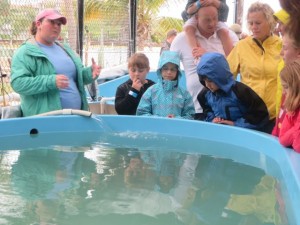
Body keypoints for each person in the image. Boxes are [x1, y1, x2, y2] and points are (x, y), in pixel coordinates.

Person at [10, 8, 101, 117]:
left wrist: (89, 73)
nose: (56, 26)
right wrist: (51, 81)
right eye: (52, 22)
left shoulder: (65, 49)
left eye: (59, 24)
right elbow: (18, 83)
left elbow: (75, 78)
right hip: (44, 121)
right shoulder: (25, 52)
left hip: (77, 116)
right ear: (38, 24)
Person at [171, 5, 237, 120]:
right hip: (195, 108)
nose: (212, 23)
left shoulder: (229, 36)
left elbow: (235, 65)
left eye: (215, 18)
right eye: (207, 19)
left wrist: (207, 55)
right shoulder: (180, 39)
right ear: (196, 17)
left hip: (226, 107)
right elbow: (168, 71)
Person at [227, 2, 282, 133]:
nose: (253, 27)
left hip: (275, 116)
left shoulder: (283, 46)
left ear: (270, 22)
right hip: (248, 115)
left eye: (258, 23)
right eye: (250, 23)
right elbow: (227, 78)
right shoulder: (241, 46)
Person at [197, 52, 269, 131]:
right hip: (220, 132)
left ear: (219, 77)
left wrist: (234, 124)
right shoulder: (205, 94)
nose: (207, 85)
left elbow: (260, 115)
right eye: (204, 81)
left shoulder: (241, 92)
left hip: (243, 133)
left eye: (210, 81)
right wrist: (212, 120)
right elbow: (207, 111)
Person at [136, 51, 195, 119]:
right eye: (165, 69)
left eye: (172, 69)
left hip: (177, 129)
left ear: (177, 72)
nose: (169, 72)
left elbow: (190, 115)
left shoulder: (184, 94)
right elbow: (141, 113)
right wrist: (160, 119)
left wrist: (177, 119)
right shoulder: (151, 91)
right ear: (160, 70)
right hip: (155, 129)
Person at [276, 60, 300, 153]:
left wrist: (294, 129)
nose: (283, 92)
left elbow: (298, 145)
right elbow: (282, 138)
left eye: (285, 87)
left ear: (296, 87)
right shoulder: (293, 107)